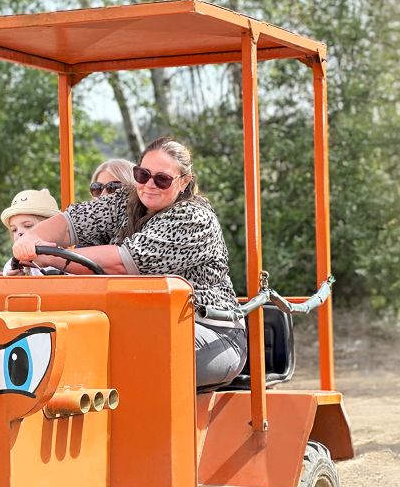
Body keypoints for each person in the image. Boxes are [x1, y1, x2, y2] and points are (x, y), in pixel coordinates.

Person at [13, 137, 247, 390]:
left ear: (184, 182)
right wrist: (32, 238)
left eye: (162, 179)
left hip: (209, 332)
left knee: (124, 351)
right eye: (142, 175)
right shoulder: (126, 201)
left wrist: (49, 255)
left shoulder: (193, 218)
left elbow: (121, 264)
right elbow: (72, 221)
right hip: (145, 323)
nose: (149, 185)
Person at [0, 188, 63, 275]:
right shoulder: (11, 266)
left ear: (52, 228)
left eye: (28, 226)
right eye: (14, 230)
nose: (19, 233)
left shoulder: (69, 262)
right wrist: (13, 281)